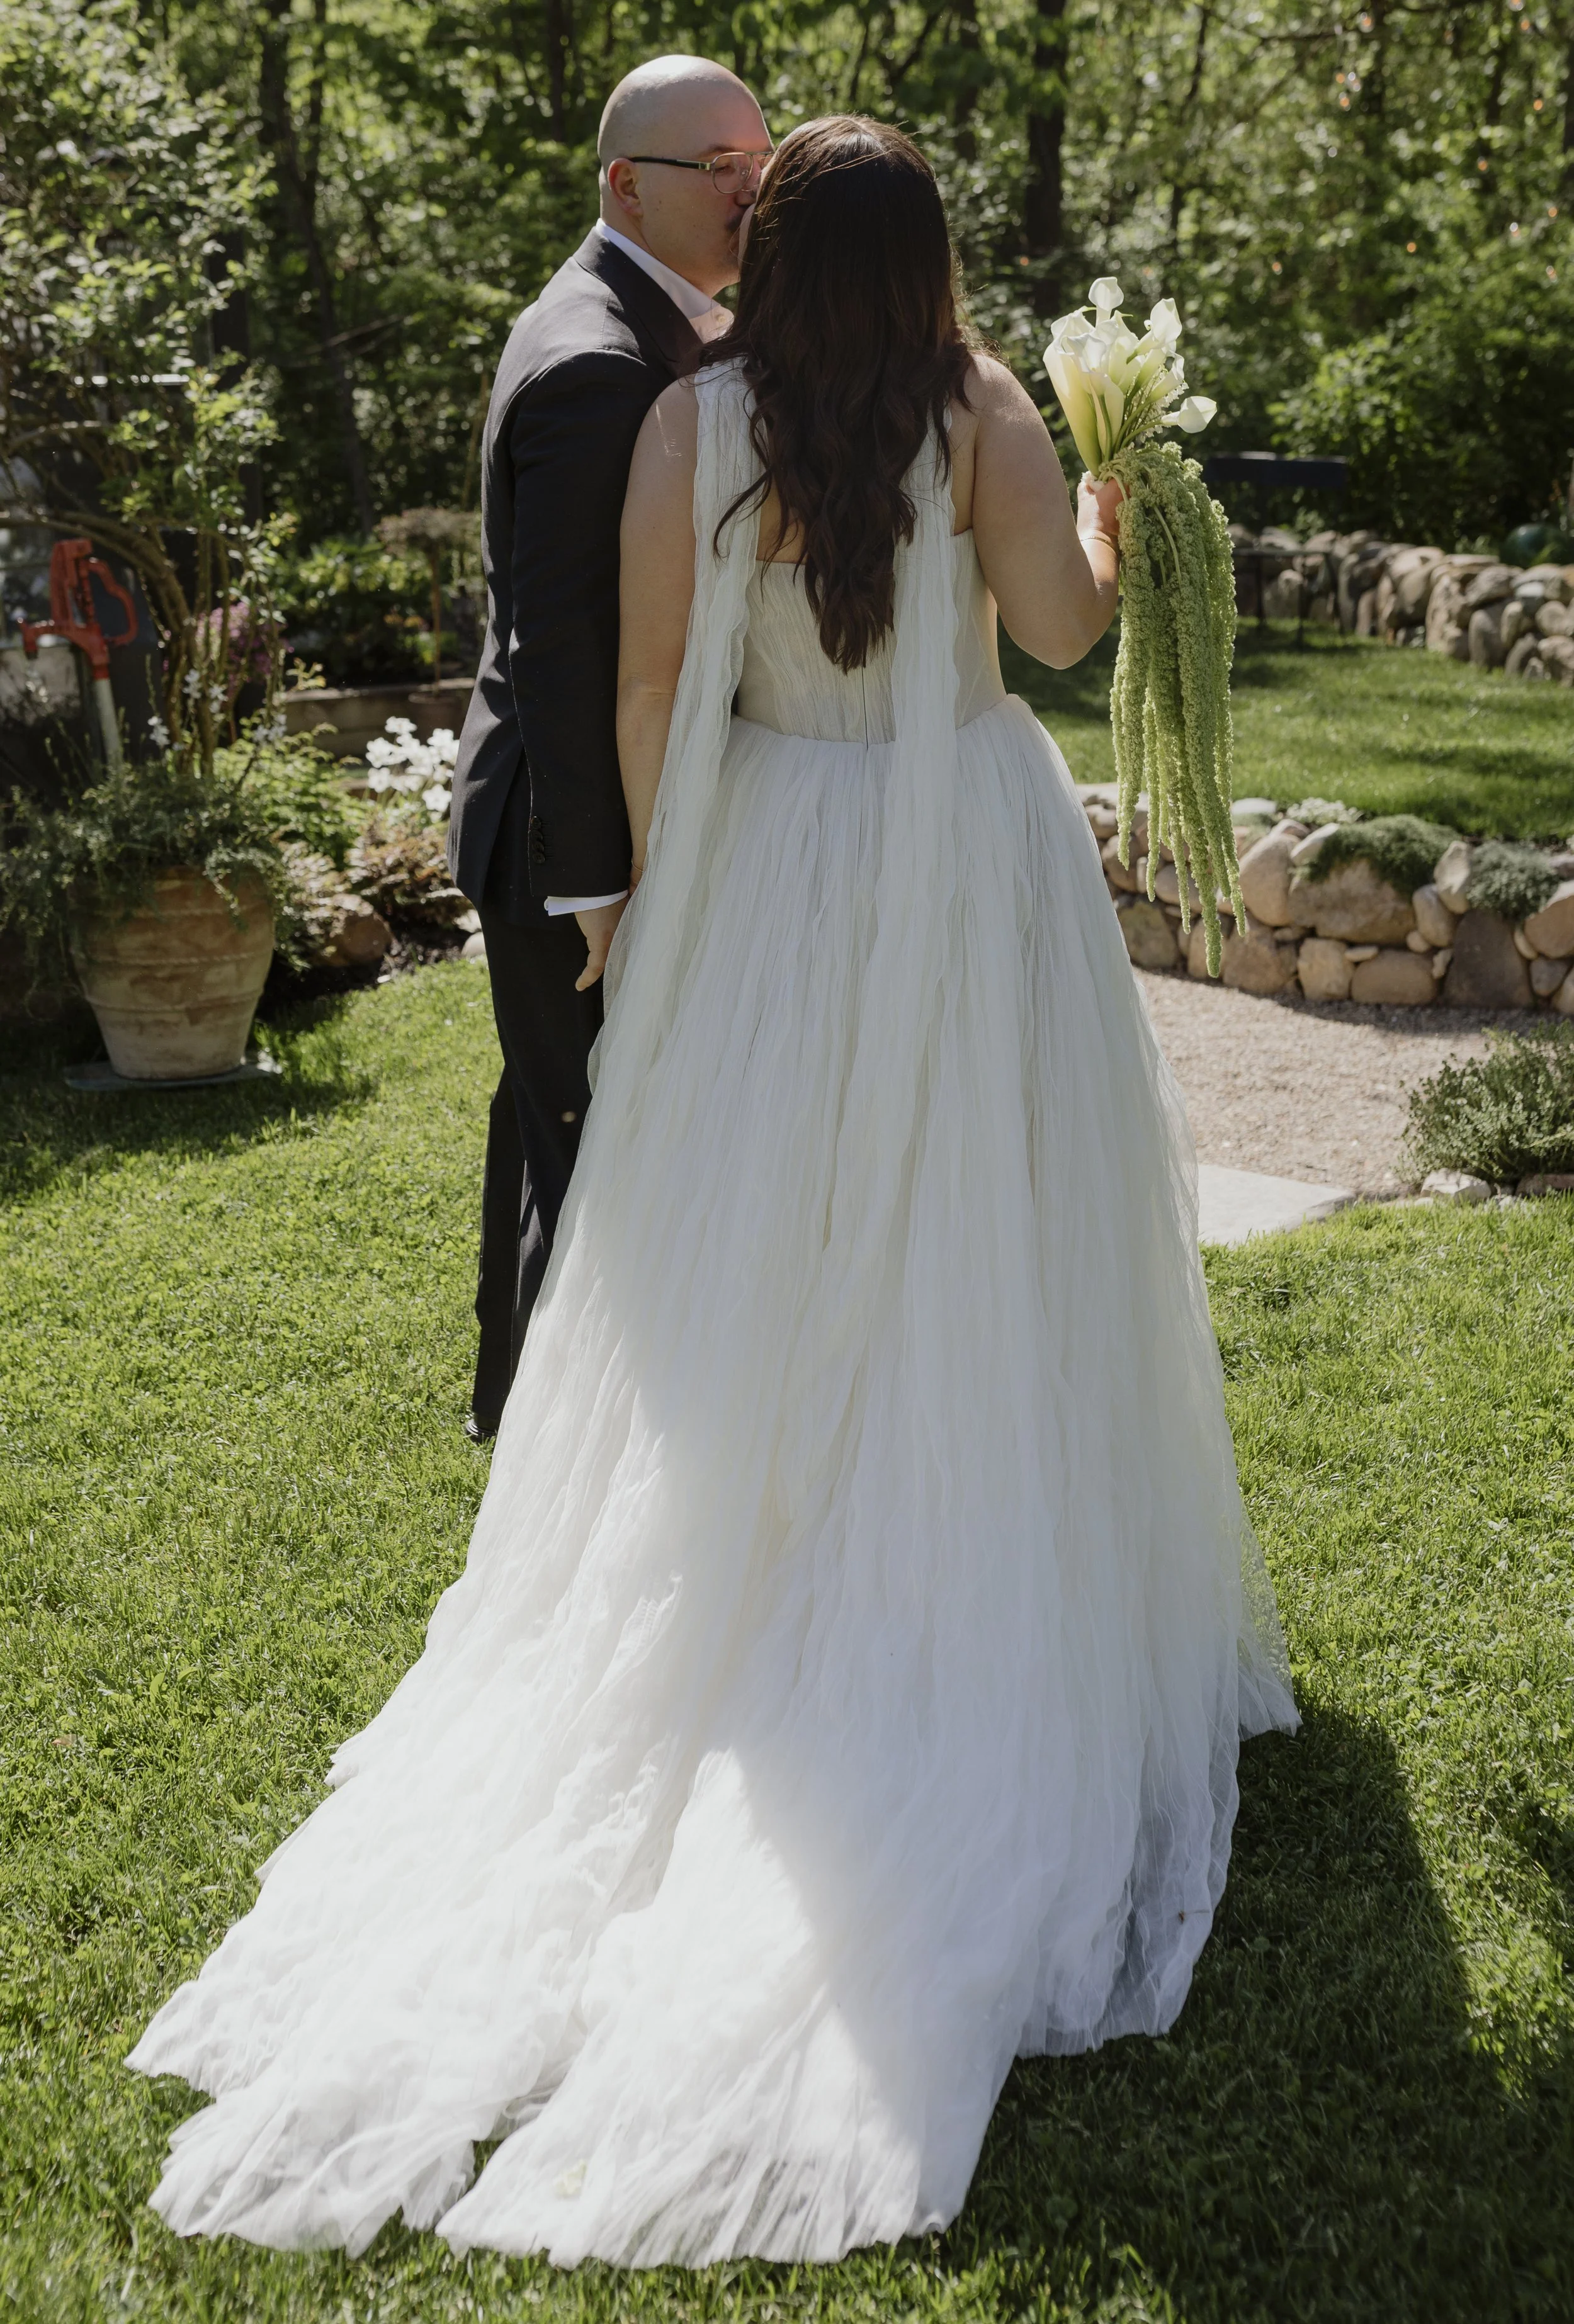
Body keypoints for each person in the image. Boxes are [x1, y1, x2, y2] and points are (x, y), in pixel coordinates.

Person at [130, 117, 1298, 2264]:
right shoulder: (987, 411)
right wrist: (1117, 531)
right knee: (989, 1238)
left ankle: (780, 1578)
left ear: (765, 251)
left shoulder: (694, 422)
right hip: (967, 878)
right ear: (931, 258)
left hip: (768, 882)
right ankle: (956, 1577)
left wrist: (652, 924)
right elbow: (1053, 634)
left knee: (753, 1265)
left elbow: (650, 687)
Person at [448, 54, 772, 1440]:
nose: (753, 193)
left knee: (551, 1123)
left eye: (762, 164)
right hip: (557, 842)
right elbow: (564, 653)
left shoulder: (654, 324)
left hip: (561, 828)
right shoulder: (597, 358)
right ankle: (569, 1455)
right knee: (594, 1153)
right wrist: (602, 885)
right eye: (725, 170)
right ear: (625, 184)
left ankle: (513, 1413)